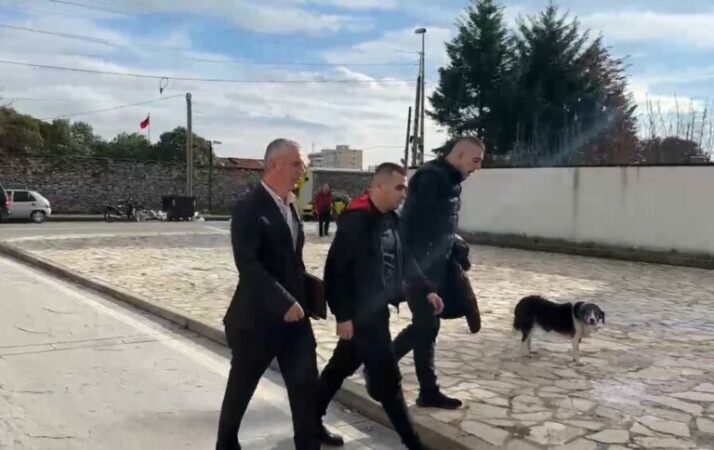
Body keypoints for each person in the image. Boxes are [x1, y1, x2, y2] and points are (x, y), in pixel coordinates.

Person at [215, 138, 342, 450]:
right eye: (296, 164)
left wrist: (310, 295)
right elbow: (248, 265)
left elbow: (292, 261)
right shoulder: (249, 208)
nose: (302, 171)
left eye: (303, 165)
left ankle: (308, 442)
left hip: (295, 320)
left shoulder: (290, 205)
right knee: (241, 387)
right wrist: (282, 300)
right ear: (273, 164)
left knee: (305, 387)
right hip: (257, 320)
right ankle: (226, 443)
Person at [316, 162, 444, 450]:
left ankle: (310, 420)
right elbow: (335, 271)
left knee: (338, 369)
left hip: (377, 312)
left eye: (405, 188)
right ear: (379, 186)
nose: (403, 194)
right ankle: (413, 443)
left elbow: (405, 259)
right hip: (361, 317)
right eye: (399, 188)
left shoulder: (390, 220)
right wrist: (343, 316)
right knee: (389, 382)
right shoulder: (355, 221)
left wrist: (426, 290)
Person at [392, 136, 485, 410]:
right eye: (475, 160)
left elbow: (439, 226)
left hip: (436, 266)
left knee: (427, 326)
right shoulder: (431, 179)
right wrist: (412, 271)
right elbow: (409, 225)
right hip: (418, 267)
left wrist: (454, 244)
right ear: (459, 155)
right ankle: (426, 390)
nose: (477, 167)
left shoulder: (451, 181)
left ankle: (394, 371)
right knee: (427, 325)